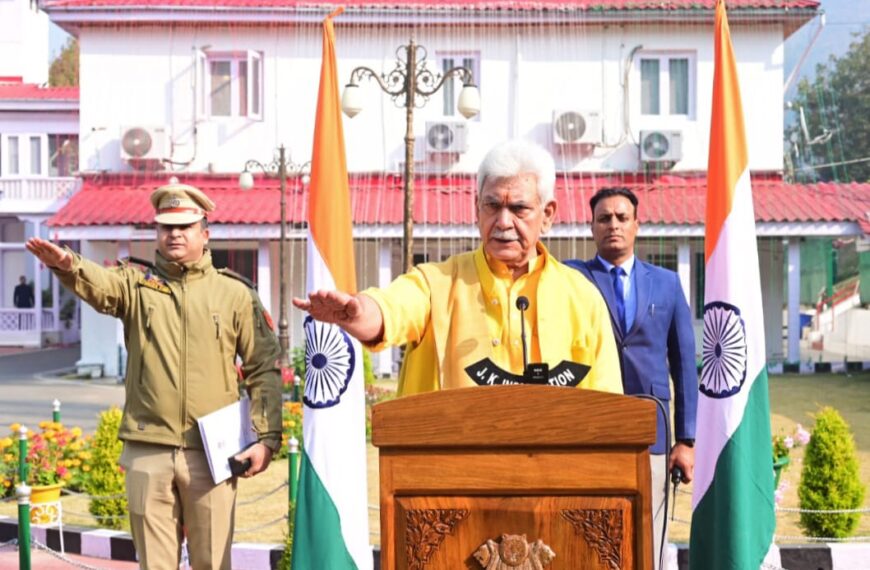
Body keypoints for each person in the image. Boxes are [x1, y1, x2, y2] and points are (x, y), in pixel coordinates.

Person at [25, 182, 282, 570]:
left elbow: (264, 367)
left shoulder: (234, 294)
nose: (174, 234)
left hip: (211, 454)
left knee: (213, 563)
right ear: (157, 234)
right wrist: (68, 265)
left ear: (204, 233)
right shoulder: (137, 286)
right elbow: (102, 285)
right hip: (149, 451)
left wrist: (266, 438)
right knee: (154, 565)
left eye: (185, 226)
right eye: (166, 227)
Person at [294, 139, 622, 396]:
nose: (503, 222)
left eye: (519, 208)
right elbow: (393, 307)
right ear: (476, 209)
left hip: (557, 476)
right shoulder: (437, 283)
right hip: (451, 474)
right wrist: (358, 313)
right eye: (492, 205)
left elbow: (608, 406)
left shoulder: (581, 296)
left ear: (548, 215)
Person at [565, 187, 697, 569]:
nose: (613, 225)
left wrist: (686, 440)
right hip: (590, 433)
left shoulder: (667, 284)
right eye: (604, 218)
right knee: (591, 532)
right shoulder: (573, 279)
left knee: (649, 535)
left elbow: (684, 364)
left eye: (622, 218)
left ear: (638, 225)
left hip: (652, 435)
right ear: (591, 227)